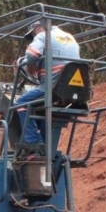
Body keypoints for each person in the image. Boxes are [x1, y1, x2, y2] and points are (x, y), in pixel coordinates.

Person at [13, 23, 80, 159]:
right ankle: (45, 148)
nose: (34, 37)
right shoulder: (69, 37)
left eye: (33, 34)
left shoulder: (44, 36)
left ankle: (33, 144)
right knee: (42, 107)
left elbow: (31, 55)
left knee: (21, 103)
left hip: (53, 87)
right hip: (76, 89)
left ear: (39, 28)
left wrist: (24, 63)